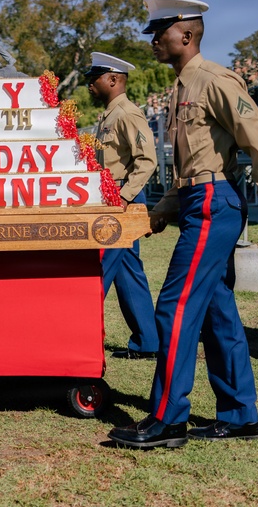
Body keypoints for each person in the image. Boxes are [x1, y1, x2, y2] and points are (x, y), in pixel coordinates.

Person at [108, 0, 258, 449]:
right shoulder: (182, 86)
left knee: (176, 306)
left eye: (160, 31)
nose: (152, 40)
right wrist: (163, 208)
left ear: (185, 36)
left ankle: (168, 419)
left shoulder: (214, 81)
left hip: (213, 202)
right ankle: (241, 415)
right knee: (214, 311)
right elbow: (192, 166)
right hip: (195, 197)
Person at [85, 52, 160, 360]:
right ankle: (148, 342)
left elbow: (147, 161)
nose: (90, 85)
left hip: (120, 198)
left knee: (98, 267)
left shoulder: (127, 113)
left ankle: (78, 333)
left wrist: (124, 198)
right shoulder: (109, 115)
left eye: (94, 79)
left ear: (113, 80)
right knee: (128, 271)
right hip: (112, 195)